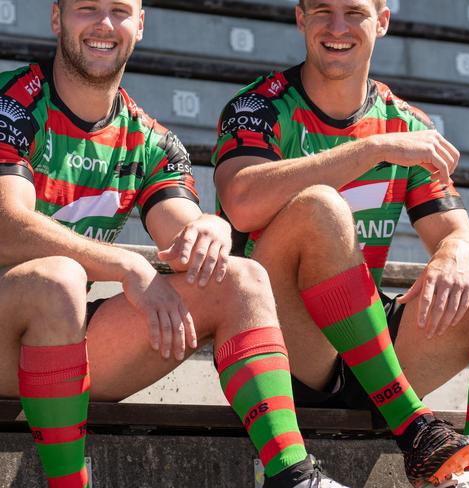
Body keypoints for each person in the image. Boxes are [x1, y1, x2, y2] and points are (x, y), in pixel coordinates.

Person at [212, 0, 469, 483]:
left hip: (368, 344)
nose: (337, 27)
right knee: (319, 207)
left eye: (354, 12)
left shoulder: (407, 123)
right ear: (300, 18)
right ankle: (413, 424)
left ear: (381, 21)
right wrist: (372, 149)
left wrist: (454, 253)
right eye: (321, 10)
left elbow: (461, 235)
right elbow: (241, 200)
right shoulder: (259, 105)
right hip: (280, 345)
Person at [0, 1, 349, 487]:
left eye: (120, 10)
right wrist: (126, 265)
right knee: (59, 277)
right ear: (57, 18)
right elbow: (7, 224)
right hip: (10, 323)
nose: (104, 24)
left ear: (139, 25)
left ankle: (295, 476)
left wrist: (211, 230)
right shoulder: (10, 102)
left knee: (239, 278)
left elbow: (182, 234)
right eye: (87, 8)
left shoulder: (151, 141)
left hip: (56, 345)